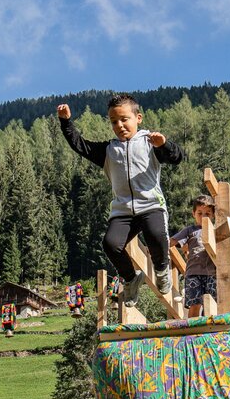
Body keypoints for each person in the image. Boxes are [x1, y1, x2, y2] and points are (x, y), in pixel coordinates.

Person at [57, 95, 184, 306]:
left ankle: (162, 271)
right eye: (114, 121)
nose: (120, 125)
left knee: (156, 234)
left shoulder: (149, 143)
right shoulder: (108, 151)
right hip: (123, 210)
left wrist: (164, 144)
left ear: (138, 118)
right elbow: (79, 145)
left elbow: (177, 157)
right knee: (110, 244)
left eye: (124, 119)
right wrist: (65, 122)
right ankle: (131, 279)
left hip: (151, 205)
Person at [170, 195, 217, 318]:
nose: (203, 217)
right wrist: (156, 247)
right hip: (193, 273)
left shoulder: (216, 230)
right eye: (200, 213)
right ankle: (193, 332)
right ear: (193, 214)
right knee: (195, 304)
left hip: (212, 273)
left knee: (212, 303)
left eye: (207, 213)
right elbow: (173, 241)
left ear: (213, 215)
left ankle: (213, 330)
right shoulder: (190, 230)